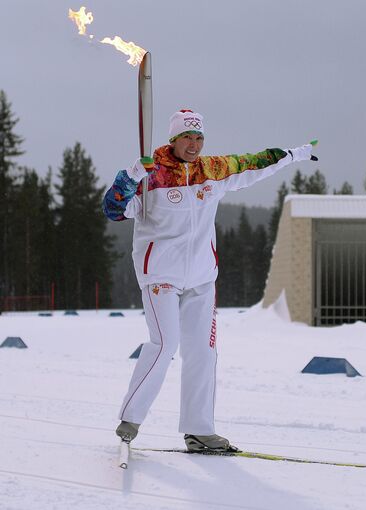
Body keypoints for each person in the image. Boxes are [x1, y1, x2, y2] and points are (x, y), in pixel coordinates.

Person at [103, 109, 314, 451]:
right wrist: (130, 177)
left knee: (203, 351)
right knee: (164, 343)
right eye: (188, 137)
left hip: (202, 277)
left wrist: (294, 154)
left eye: (199, 138)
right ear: (173, 140)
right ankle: (131, 418)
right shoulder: (151, 175)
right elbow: (112, 209)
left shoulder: (212, 171)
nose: (194, 144)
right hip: (161, 276)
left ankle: (199, 430)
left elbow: (253, 164)